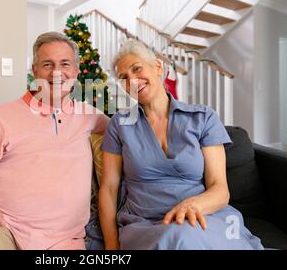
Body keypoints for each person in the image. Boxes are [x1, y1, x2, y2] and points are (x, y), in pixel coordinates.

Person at [0, 32, 109, 250]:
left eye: (65, 64)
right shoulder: (2, 117)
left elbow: (135, 130)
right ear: (35, 71)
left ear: (76, 71)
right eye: (48, 64)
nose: (57, 72)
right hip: (1, 230)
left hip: (65, 242)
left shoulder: (90, 116)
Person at [98, 39, 263, 250]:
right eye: (124, 78)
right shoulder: (119, 125)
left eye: (137, 69)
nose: (132, 80)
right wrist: (111, 248)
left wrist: (192, 205)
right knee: (180, 237)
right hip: (145, 224)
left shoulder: (203, 118)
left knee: (186, 234)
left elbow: (220, 189)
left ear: (157, 67)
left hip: (201, 216)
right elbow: (109, 189)